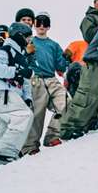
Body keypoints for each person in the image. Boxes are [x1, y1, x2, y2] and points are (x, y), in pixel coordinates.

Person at [0, 23, 34, 174]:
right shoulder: (5, 50)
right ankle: (6, 152)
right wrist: (17, 72)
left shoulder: (21, 56)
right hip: (2, 92)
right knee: (24, 116)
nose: (29, 41)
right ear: (19, 36)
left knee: (2, 132)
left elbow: (25, 82)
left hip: (9, 95)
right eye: (27, 38)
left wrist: (28, 98)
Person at [60, 0, 98, 140]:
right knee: (88, 96)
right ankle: (70, 127)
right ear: (95, 3)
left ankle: (93, 124)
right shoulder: (90, 18)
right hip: (94, 62)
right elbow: (89, 34)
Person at [22, 12, 69, 155]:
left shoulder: (54, 45)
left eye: (45, 23)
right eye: (39, 23)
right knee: (37, 112)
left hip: (51, 79)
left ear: (49, 26)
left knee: (66, 103)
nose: (42, 26)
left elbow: (61, 65)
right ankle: (30, 146)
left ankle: (52, 136)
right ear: (34, 25)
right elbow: (21, 60)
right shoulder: (29, 42)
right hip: (36, 79)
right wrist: (27, 52)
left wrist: (66, 58)